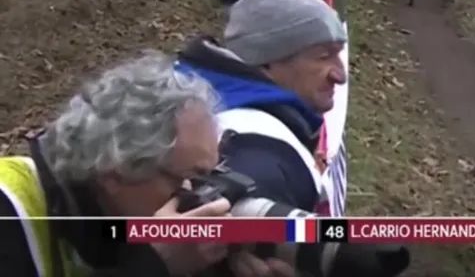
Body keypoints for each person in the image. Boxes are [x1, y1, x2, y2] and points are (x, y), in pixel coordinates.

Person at [0, 54, 290, 276]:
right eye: (189, 179)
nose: (199, 197)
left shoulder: (113, 220)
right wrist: (155, 264)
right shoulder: (10, 209)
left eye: (210, 176)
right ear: (115, 171)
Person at [176, 0, 347, 215]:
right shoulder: (256, 151)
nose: (340, 75)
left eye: (338, 54)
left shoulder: (206, 108)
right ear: (265, 61)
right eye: (323, 56)